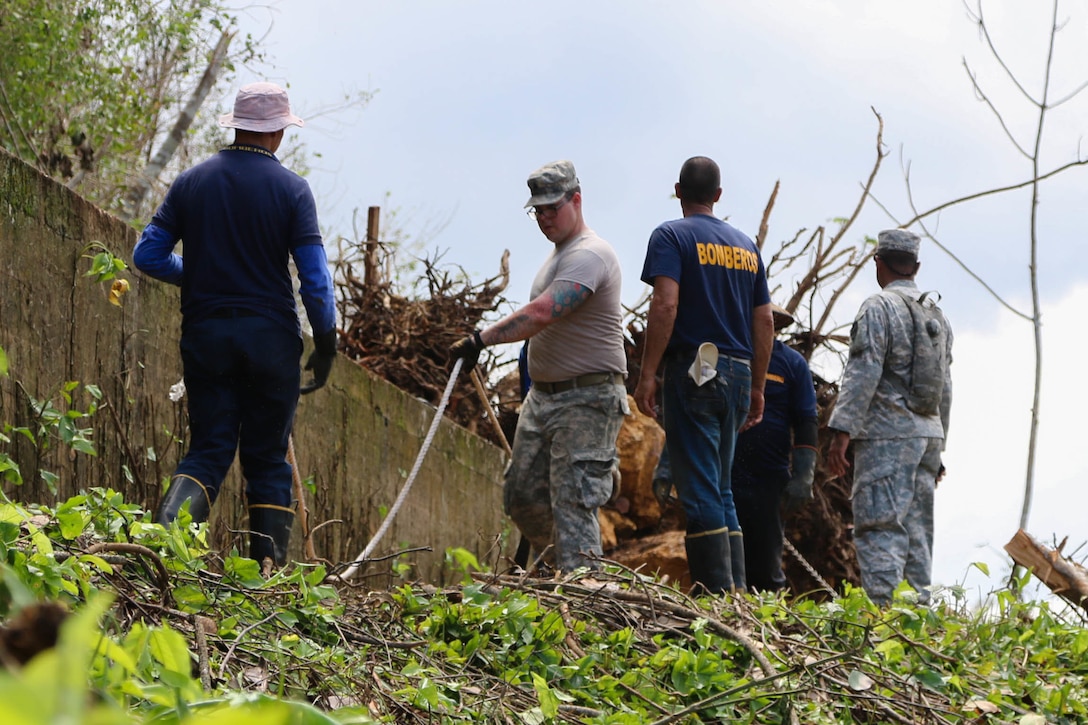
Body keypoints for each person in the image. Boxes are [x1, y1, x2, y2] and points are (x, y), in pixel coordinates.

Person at [133, 81, 337, 567]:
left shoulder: (191, 182)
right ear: (279, 134)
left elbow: (147, 254)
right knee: (267, 459)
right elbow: (314, 280)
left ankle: (165, 556)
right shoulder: (293, 190)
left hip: (206, 334)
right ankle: (262, 584)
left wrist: (198, 278)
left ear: (238, 125)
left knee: (208, 449)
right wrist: (325, 343)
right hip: (271, 341)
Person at [449, 160, 628, 573]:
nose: (545, 218)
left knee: (573, 499)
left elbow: (544, 312)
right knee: (522, 496)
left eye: (552, 208)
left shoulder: (591, 254)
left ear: (576, 200)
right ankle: (560, 573)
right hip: (544, 399)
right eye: (538, 211)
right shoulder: (558, 257)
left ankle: (585, 591)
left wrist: (480, 339)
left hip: (587, 398)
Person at [634, 156, 774, 594]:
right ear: (718, 196)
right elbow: (765, 321)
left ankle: (716, 597)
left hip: (694, 374)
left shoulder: (671, 235)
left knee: (699, 493)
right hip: (736, 371)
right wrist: (756, 386)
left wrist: (648, 373)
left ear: (678, 191)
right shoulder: (747, 247)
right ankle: (736, 594)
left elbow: (665, 305)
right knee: (721, 487)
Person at [827, 229, 953, 605]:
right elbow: (945, 386)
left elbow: (863, 372)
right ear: (915, 266)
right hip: (928, 437)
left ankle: (883, 625)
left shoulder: (878, 308)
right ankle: (918, 625)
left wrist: (841, 432)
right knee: (917, 533)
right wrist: (940, 445)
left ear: (877, 263)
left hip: (887, 438)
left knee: (880, 528)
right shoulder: (938, 317)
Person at [731, 304, 819, 592]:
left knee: (766, 562)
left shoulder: (791, 363)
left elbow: (806, 420)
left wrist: (803, 476)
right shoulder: (727, 355)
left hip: (769, 478)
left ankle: (765, 618)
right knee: (725, 556)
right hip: (725, 475)